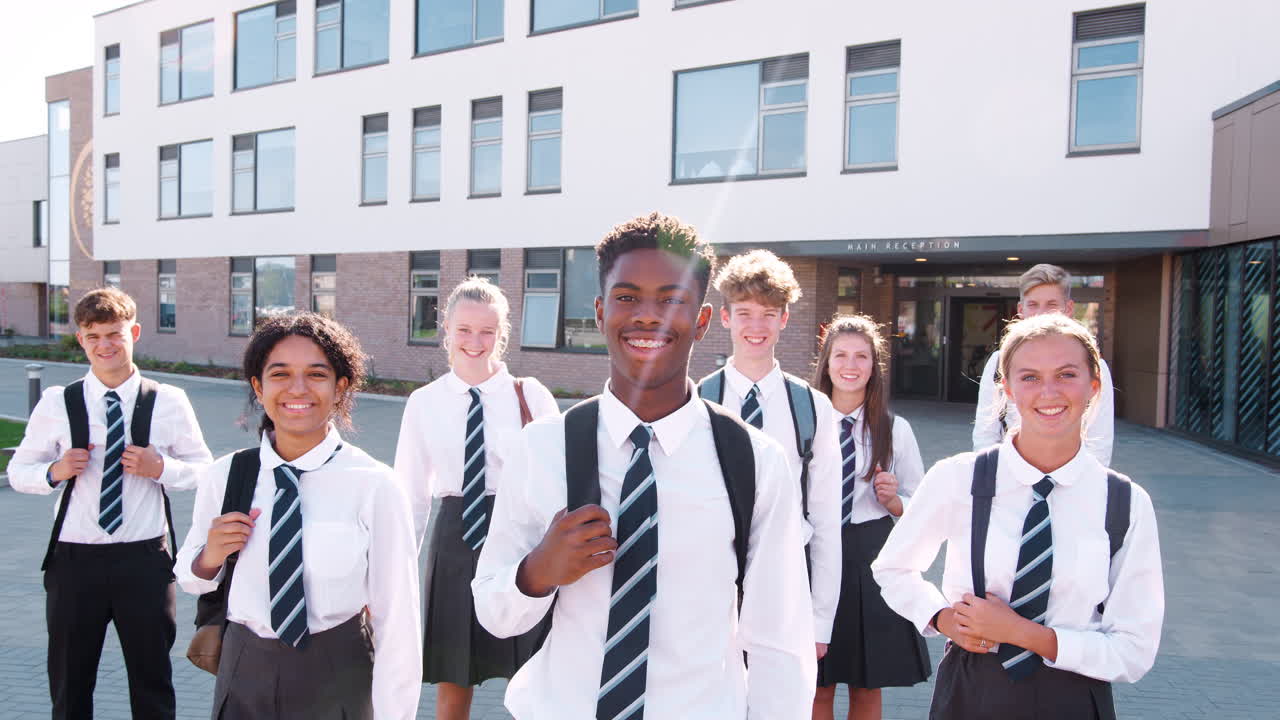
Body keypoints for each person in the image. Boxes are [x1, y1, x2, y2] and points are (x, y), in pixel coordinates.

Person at [472, 212, 817, 719]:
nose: (647, 316)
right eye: (627, 297)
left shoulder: (754, 461)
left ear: (701, 321)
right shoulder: (542, 448)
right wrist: (536, 573)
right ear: (599, 311)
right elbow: (494, 613)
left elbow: (779, 642)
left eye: (672, 299)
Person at [873, 313, 1164, 720]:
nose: (1049, 392)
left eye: (1066, 374)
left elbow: (1134, 649)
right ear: (1006, 388)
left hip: (1075, 696)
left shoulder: (1125, 501)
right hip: (973, 691)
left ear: (1094, 385)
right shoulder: (959, 478)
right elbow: (892, 568)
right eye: (1029, 377)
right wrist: (941, 618)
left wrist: (1023, 634)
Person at [174, 313, 421, 719]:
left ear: (340, 387)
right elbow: (188, 576)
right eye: (281, 374)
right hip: (244, 671)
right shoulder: (227, 475)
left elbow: (398, 619)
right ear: (259, 387)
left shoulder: (375, 484)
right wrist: (210, 556)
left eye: (316, 374)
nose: (298, 389)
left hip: (337, 672)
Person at [10, 286, 213, 720]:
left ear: (134, 332)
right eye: (94, 335)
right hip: (73, 562)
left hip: (145, 563)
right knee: (69, 682)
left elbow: (204, 469)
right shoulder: (57, 402)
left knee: (153, 682)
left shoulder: (169, 400)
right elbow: (18, 473)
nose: (105, 345)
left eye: (114, 334)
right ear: (81, 339)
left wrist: (162, 468)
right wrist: (54, 472)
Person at [394, 277, 560, 719]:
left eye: (487, 330)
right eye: (464, 329)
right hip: (454, 543)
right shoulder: (424, 402)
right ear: (445, 329)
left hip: (520, 538)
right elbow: (410, 495)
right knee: (454, 677)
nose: (475, 341)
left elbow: (559, 481)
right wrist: (396, 573)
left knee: (537, 675)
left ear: (502, 334)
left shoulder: (530, 395)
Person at [695, 249, 842, 665]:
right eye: (744, 313)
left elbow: (827, 521)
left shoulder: (813, 407)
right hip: (709, 584)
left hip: (785, 583)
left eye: (768, 313)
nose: (755, 327)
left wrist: (820, 621)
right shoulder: (697, 400)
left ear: (784, 319)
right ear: (725, 318)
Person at [810, 315, 931, 720]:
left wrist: (895, 502)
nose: (850, 365)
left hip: (871, 559)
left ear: (874, 365)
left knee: (866, 685)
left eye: (861, 356)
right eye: (840, 355)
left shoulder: (895, 430)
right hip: (813, 556)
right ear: (825, 363)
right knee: (816, 685)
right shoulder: (805, 423)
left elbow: (922, 506)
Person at [973, 264, 1115, 466]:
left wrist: (1089, 489)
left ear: (1069, 309)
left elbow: (1099, 439)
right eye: (1033, 304)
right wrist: (989, 481)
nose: (1042, 313)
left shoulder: (1093, 365)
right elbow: (985, 433)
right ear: (1020, 310)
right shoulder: (999, 361)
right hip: (1010, 476)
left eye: (1051, 304)